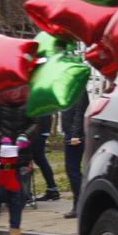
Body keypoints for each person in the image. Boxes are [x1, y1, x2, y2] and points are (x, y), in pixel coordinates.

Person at [0, 86, 38, 235]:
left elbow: (35, 122)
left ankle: (15, 232)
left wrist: (26, 135)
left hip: (20, 154)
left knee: (18, 194)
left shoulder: (29, 97)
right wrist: (0, 137)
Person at [61, 91, 89, 219]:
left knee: (73, 171)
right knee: (73, 171)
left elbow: (79, 113)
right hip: (70, 133)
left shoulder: (78, 90)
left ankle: (79, 205)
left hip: (75, 135)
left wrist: (75, 135)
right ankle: (80, 203)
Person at [31, 114, 60, 202]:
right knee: (40, 160)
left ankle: (52, 189)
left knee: (38, 160)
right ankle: (52, 189)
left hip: (38, 130)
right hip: (42, 129)